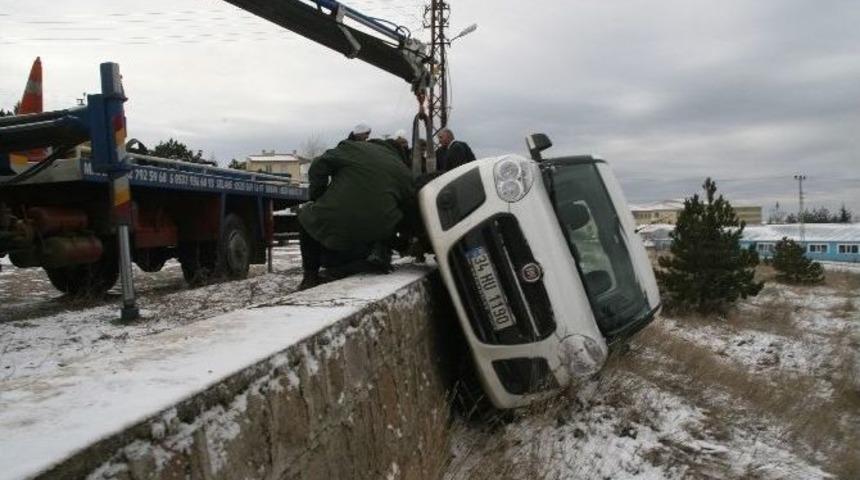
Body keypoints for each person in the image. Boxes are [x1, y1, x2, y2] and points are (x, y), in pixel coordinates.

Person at [297, 138, 416, 289]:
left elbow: (318, 164)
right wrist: (403, 244)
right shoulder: (404, 172)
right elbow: (408, 209)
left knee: (305, 215)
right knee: (385, 222)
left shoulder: (355, 148)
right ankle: (368, 263)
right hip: (372, 237)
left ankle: (310, 276)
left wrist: (317, 196)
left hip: (334, 225)